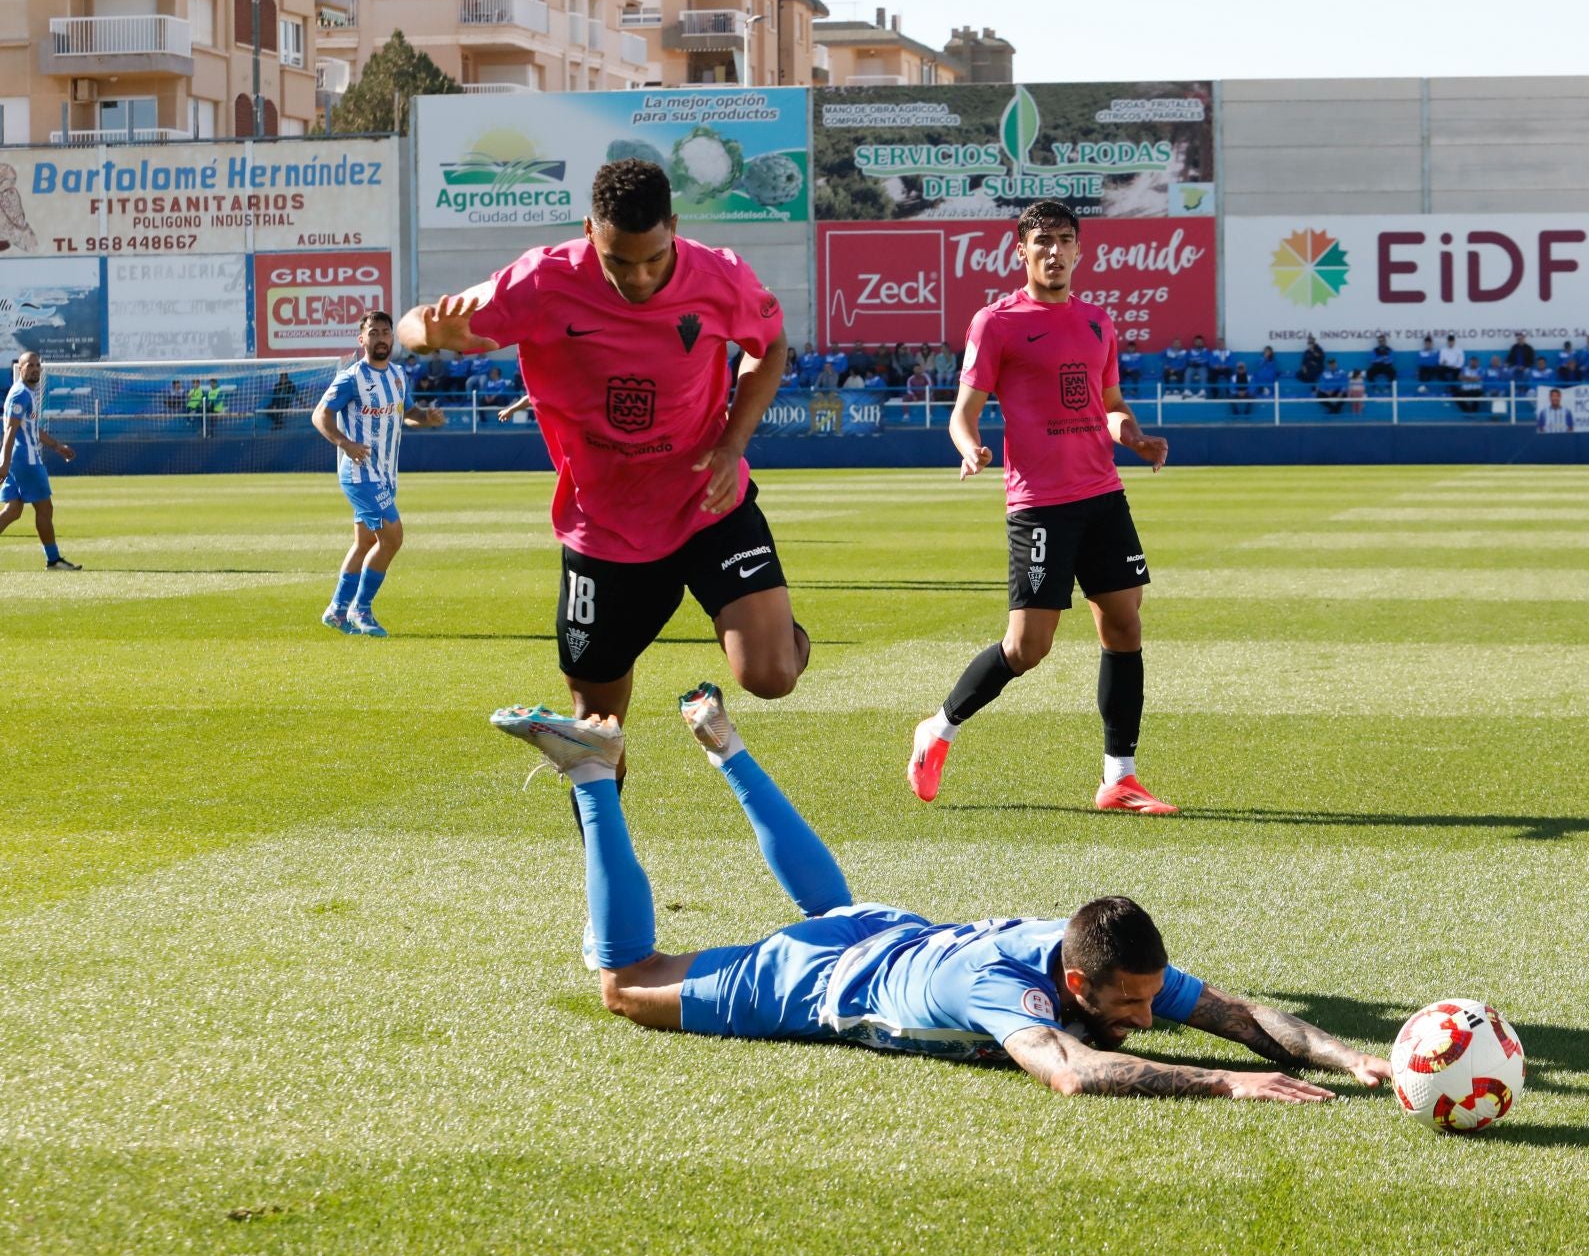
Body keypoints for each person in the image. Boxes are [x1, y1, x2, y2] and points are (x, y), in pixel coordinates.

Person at [493, 686, 1393, 1098]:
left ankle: (730, 746)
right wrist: (1226, 1090)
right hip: (811, 982)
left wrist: (1344, 1056)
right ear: (1075, 984)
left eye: (1152, 1003)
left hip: (880, 928)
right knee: (624, 983)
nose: (1152, 1018)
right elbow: (1074, 1074)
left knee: (833, 905)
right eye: (1133, 1006)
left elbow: (1237, 1015)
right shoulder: (1008, 995)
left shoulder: (1101, 948)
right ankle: (594, 779)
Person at [397, 159, 807, 777]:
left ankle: (777, 627)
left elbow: (769, 345)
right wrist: (426, 332)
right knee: (593, 733)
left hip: (705, 502)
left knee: (771, 675)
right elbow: (415, 326)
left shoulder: (719, 277)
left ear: (674, 226)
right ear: (591, 232)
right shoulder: (541, 281)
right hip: (604, 524)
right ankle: (605, 858)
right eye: (620, 263)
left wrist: (730, 445)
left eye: (654, 259)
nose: (639, 278)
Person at [908, 200, 1175, 815]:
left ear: (1080, 250)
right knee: (1028, 647)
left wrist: (1132, 435)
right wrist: (971, 446)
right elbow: (963, 411)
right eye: (1042, 242)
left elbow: (1108, 403)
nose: (1054, 251)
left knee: (1124, 625)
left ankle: (1119, 777)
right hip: (1041, 505)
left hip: (1103, 494)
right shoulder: (996, 322)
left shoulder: (1097, 322)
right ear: (1021, 252)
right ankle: (939, 728)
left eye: (1064, 240)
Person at [311, 311, 447, 637]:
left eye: (386, 332)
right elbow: (320, 415)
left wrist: (425, 418)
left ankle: (337, 610)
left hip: (386, 474)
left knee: (365, 543)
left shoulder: (399, 376)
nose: (381, 338)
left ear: (393, 339)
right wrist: (344, 443)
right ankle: (362, 608)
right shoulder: (351, 378)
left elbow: (408, 413)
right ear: (362, 339)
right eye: (374, 333)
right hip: (360, 473)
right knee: (393, 537)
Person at [0, 351, 82, 570]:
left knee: (13, 511)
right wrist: (4, 463)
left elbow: (33, 428)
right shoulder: (21, 395)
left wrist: (56, 446)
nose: (36, 369)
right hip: (26, 460)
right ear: (21, 367)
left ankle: (53, 559)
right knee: (45, 509)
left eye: (38, 365)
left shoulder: (27, 393)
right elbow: (10, 431)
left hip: (22, 459)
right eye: (31, 365)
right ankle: (53, 560)